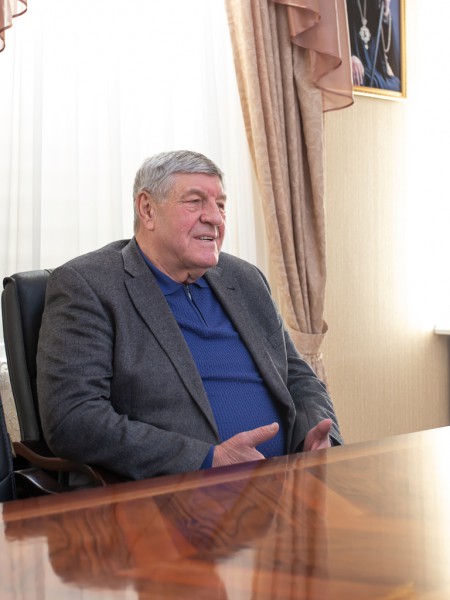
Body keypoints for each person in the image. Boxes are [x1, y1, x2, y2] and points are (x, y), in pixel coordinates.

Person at [36, 150, 342, 481]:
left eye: (220, 205)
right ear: (147, 209)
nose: (215, 218)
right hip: (170, 493)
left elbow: (297, 377)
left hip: (285, 483)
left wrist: (316, 433)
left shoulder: (246, 279)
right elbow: (73, 418)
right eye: (195, 202)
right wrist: (207, 459)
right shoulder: (89, 284)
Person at [347, 0, 401, 91]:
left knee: (396, 86)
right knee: (358, 78)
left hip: (374, 70)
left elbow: (387, 49)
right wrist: (349, 56)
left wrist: (385, 11)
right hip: (356, 67)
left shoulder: (374, 3)